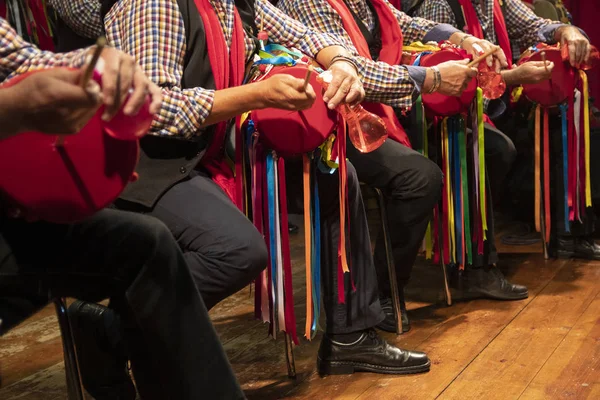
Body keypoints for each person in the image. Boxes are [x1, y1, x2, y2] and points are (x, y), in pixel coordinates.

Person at [52, 0, 433, 381]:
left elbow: (307, 35)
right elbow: (155, 111)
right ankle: (112, 328)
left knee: (333, 170)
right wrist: (259, 95)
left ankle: (351, 336)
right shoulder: (153, 5)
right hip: (146, 165)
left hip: (208, 150)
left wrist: (342, 63)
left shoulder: (237, 4)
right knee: (237, 252)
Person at [0, 17, 246, 400]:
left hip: (188, 163)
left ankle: (105, 328)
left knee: (147, 245)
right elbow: (165, 113)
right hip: (159, 166)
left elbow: (24, 62)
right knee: (234, 249)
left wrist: (99, 63)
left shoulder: (235, 9)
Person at [278, 0, 527, 333]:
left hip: (382, 107)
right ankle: (383, 292)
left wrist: (464, 40)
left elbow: (412, 25)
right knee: (420, 177)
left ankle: (471, 266)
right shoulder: (308, 3)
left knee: (489, 148)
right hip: (333, 122)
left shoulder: (369, 4)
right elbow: (354, 73)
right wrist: (433, 78)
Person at [412, 0, 598, 261]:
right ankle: (476, 262)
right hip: (457, 112)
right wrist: (513, 78)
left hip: (496, 102)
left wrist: (567, 32)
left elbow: (536, 26)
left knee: (565, 112)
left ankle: (568, 235)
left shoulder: (495, 3)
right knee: (494, 149)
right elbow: (450, 86)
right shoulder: (439, 6)